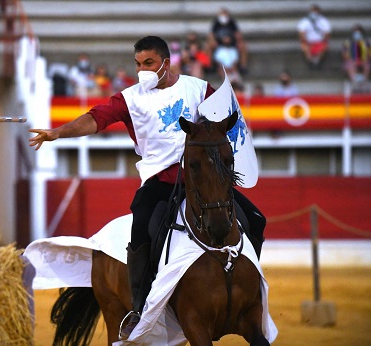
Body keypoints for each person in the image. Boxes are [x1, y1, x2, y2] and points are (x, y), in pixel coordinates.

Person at [29, 35, 265, 340]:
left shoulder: (197, 89)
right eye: (138, 64)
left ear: (166, 63)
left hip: (200, 180)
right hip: (160, 182)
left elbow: (222, 123)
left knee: (256, 219)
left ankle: (250, 290)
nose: (142, 70)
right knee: (142, 229)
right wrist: (57, 133)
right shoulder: (131, 98)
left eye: (149, 63)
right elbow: (96, 119)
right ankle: (138, 308)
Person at [208, 7, 248, 75]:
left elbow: (238, 34)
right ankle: (210, 66)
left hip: (232, 44)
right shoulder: (216, 23)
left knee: (243, 45)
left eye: (225, 14)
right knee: (208, 46)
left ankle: (242, 66)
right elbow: (211, 34)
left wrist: (238, 41)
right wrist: (214, 41)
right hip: (219, 44)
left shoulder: (232, 22)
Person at [297, 4, 331, 69]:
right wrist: (304, 42)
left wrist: (324, 42)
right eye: (313, 11)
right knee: (304, 46)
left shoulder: (324, 21)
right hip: (308, 42)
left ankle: (317, 61)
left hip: (320, 42)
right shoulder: (304, 21)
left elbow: (327, 34)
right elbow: (301, 34)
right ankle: (310, 61)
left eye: (316, 11)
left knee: (325, 46)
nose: (314, 13)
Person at [342, 24, 371, 92]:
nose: (357, 34)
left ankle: (363, 83)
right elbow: (344, 55)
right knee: (350, 66)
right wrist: (353, 60)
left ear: (361, 33)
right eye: (355, 32)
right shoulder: (347, 42)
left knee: (367, 66)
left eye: (358, 32)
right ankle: (355, 84)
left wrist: (364, 60)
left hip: (364, 60)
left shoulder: (366, 42)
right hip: (351, 61)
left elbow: (370, 54)